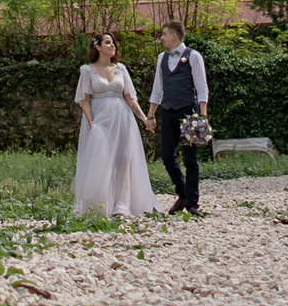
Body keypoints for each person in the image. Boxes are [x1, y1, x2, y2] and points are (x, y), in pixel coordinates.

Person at [71, 32, 161, 218]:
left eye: (113, 43)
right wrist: (91, 122)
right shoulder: (88, 71)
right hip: (99, 119)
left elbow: (130, 98)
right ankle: (102, 203)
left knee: (123, 158)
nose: (113, 46)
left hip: (122, 118)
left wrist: (144, 119)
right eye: (108, 42)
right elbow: (84, 100)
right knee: (102, 160)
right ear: (98, 47)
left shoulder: (121, 69)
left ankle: (121, 205)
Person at [150, 20, 209, 214]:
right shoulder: (161, 58)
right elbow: (157, 88)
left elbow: (201, 86)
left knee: (191, 159)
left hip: (188, 112)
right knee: (167, 156)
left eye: (164, 34)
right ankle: (183, 192)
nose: (162, 38)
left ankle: (192, 203)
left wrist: (203, 114)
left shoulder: (193, 56)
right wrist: (151, 113)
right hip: (167, 111)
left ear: (173, 35)